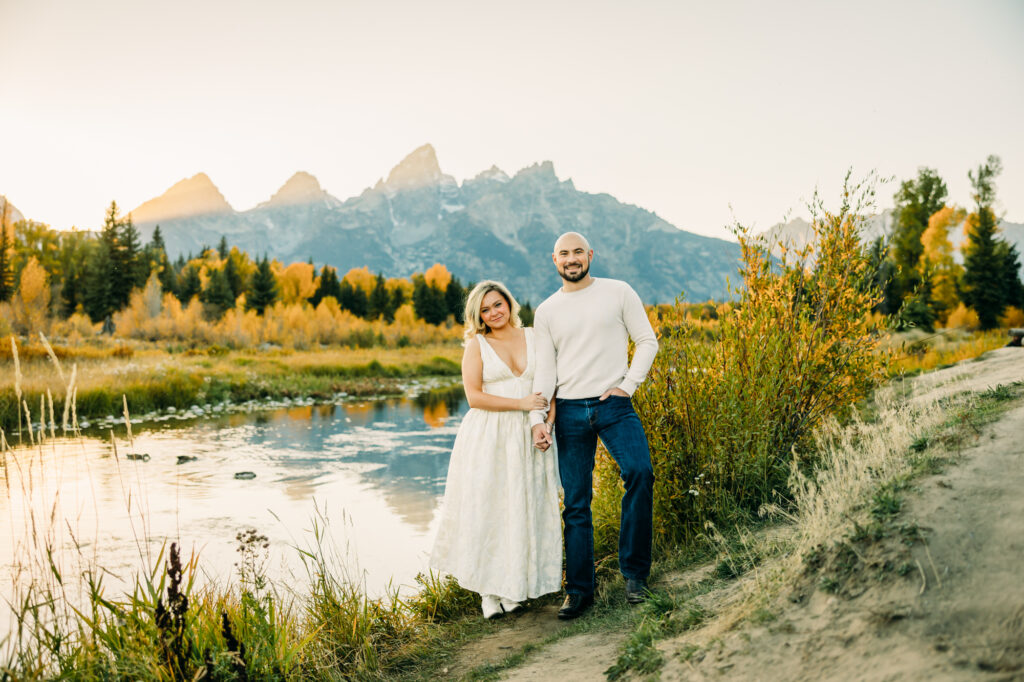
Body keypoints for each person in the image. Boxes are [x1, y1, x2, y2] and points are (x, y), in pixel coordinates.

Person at [531, 232, 659, 620]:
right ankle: (580, 590)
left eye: (577, 252)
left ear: (590, 255)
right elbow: (545, 372)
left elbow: (647, 341)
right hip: (568, 410)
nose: (572, 259)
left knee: (640, 472)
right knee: (576, 502)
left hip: (613, 405)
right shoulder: (547, 311)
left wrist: (627, 386)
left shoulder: (618, 292)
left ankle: (635, 576)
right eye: (564, 254)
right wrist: (538, 419)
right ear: (554, 260)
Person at [429, 280, 563, 619]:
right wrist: (520, 403)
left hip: (530, 432)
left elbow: (550, 385)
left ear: (509, 303)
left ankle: (514, 587)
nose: (493, 313)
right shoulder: (477, 345)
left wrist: (546, 423)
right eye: (485, 310)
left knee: (524, 506)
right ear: (479, 316)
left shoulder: (534, 336)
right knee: (489, 508)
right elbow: (474, 397)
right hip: (490, 434)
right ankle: (488, 594)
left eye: (497, 305)